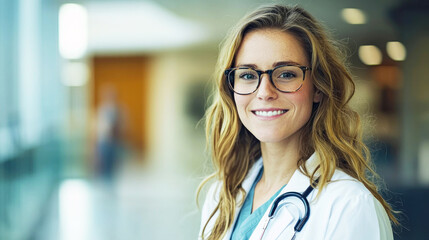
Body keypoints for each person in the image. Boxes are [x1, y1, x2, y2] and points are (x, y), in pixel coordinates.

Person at [198, 4, 397, 240]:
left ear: (318, 88)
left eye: (286, 74)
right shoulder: (222, 195)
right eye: (248, 75)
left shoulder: (350, 205)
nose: (264, 92)